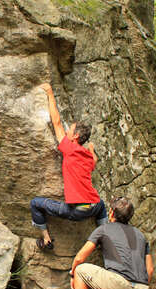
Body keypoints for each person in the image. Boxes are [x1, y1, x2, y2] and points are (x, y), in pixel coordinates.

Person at [31, 83, 108, 250]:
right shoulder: (88, 157)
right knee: (102, 206)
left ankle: (46, 240)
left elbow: (56, 122)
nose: (66, 131)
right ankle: (105, 237)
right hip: (93, 206)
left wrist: (50, 93)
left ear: (76, 136)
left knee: (35, 203)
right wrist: (92, 150)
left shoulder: (70, 148)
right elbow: (94, 160)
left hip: (78, 210)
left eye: (70, 130)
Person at [68, 197, 153, 289]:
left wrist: (72, 275)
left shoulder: (103, 229)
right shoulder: (141, 235)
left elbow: (80, 258)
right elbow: (150, 270)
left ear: (112, 213)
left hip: (120, 284)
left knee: (80, 269)